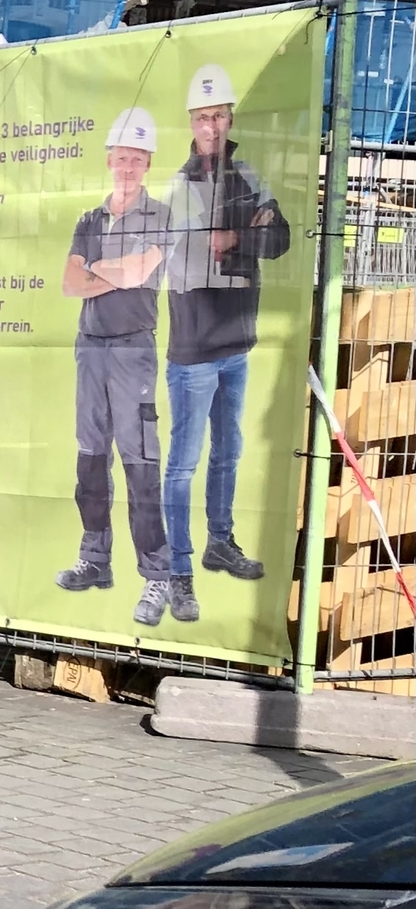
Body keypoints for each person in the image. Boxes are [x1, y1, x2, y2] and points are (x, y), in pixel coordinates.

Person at [163, 63, 291, 616]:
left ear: (229, 117)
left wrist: (239, 234)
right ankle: (178, 568)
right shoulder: (181, 184)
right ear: (191, 123)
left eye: (219, 116)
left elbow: (279, 237)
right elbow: (202, 252)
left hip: (237, 342)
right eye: (202, 118)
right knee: (185, 461)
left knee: (229, 452)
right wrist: (247, 233)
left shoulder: (248, 172)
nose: (211, 126)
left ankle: (220, 542)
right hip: (194, 348)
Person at [56, 109, 175, 624]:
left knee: (140, 460)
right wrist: (115, 274)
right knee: (89, 458)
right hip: (90, 348)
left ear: (147, 163)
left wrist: (101, 271)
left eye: (136, 158)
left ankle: (156, 576)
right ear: (109, 160)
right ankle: (95, 558)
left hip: (132, 349)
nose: (126, 166)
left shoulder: (161, 216)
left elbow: (142, 270)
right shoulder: (89, 219)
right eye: (120, 157)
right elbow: (69, 284)